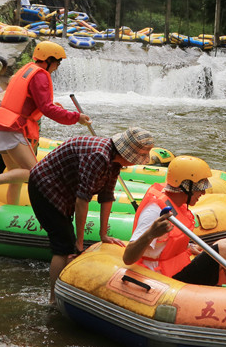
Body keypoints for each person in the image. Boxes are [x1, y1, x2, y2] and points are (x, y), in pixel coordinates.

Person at [24, 127, 154, 302]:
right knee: (64, 246)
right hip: (45, 186)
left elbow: (107, 196)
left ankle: (66, 293)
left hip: (65, 189)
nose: (136, 163)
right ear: (127, 154)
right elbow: (82, 199)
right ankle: (54, 300)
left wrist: (104, 235)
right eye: (136, 160)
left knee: (67, 244)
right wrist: (79, 242)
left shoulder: (115, 162)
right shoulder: (99, 156)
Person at [124, 155, 226, 291]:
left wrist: (187, 246)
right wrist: (150, 234)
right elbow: (128, 257)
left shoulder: (177, 202)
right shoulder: (154, 211)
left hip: (178, 268)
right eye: (199, 189)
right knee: (224, 247)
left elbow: (166, 243)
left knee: (225, 252)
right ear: (185, 186)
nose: (203, 193)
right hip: (165, 281)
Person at [0, 42, 91, 205]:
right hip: (12, 129)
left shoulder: (27, 69)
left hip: (2, 125)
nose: (58, 66)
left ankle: (12, 209)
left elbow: (35, 104)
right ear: (49, 59)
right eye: (57, 62)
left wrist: (59, 109)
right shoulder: (39, 75)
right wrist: (76, 117)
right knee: (36, 173)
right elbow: (47, 108)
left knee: (15, 175)